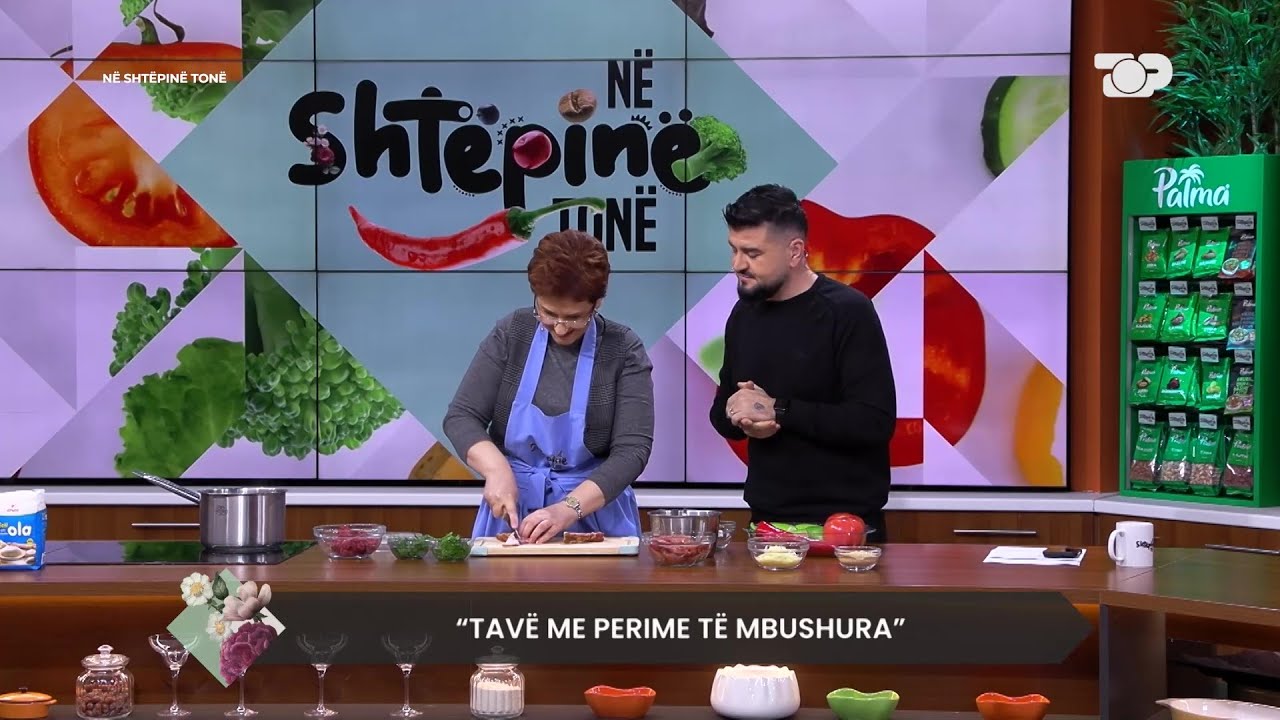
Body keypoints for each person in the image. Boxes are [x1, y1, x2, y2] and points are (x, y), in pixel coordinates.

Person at [708, 184, 898, 541]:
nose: (737, 265)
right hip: (766, 525)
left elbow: (874, 421)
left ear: (795, 252)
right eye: (734, 250)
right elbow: (722, 415)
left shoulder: (848, 312)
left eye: (752, 253)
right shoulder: (744, 314)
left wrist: (779, 410)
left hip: (845, 528)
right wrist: (740, 414)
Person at [443, 229, 655, 544]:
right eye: (548, 313)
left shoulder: (622, 348)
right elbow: (461, 416)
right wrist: (497, 470)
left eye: (574, 318)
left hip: (594, 514)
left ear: (597, 303)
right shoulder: (512, 332)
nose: (560, 328)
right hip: (512, 512)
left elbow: (632, 450)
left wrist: (567, 509)